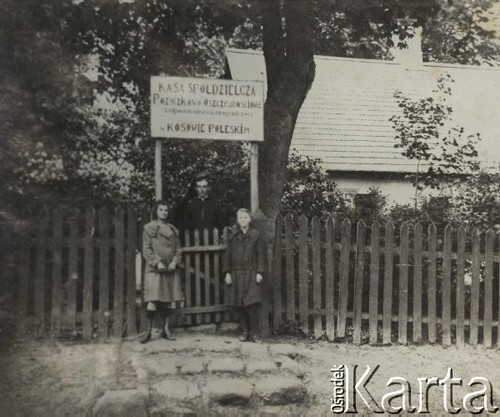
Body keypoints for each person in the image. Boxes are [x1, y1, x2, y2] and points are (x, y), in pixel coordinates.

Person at [140, 200, 184, 343]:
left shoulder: (173, 230)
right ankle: (148, 332)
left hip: (170, 269)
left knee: (169, 301)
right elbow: (146, 249)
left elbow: (178, 250)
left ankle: (166, 329)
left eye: (166, 210)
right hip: (154, 270)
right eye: (161, 210)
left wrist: (174, 262)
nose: (164, 212)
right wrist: (157, 262)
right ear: (156, 211)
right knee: (152, 299)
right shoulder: (149, 228)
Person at [223, 208, 266, 342]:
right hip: (237, 274)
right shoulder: (233, 236)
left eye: (245, 218)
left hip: (251, 274)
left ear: (250, 219)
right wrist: (227, 272)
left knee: (252, 304)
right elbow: (227, 256)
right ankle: (244, 331)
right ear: (237, 220)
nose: (243, 220)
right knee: (240, 304)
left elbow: (261, 255)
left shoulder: (255, 235)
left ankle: (254, 333)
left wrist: (259, 272)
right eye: (240, 218)